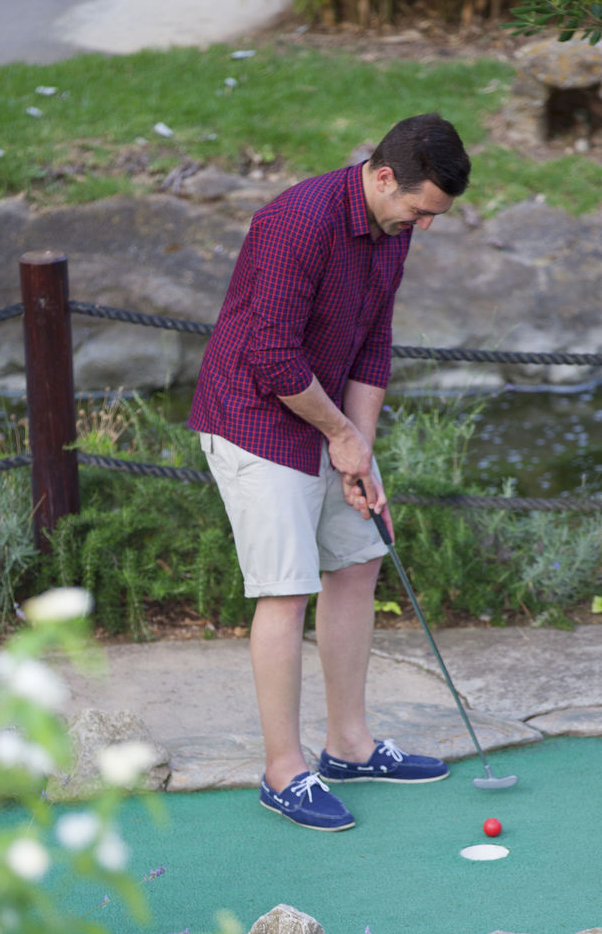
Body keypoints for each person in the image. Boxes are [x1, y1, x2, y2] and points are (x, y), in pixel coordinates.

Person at [187, 114, 471, 831]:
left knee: (358, 562)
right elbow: (274, 357)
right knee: (286, 589)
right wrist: (340, 433)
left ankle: (349, 746)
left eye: (434, 215)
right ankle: (283, 771)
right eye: (419, 209)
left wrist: (359, 452)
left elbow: (373, 343)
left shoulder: (393, 230)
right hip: (253, 415)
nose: (424, 226)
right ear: (383, 177)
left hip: (323, 413)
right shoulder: (296, 223)